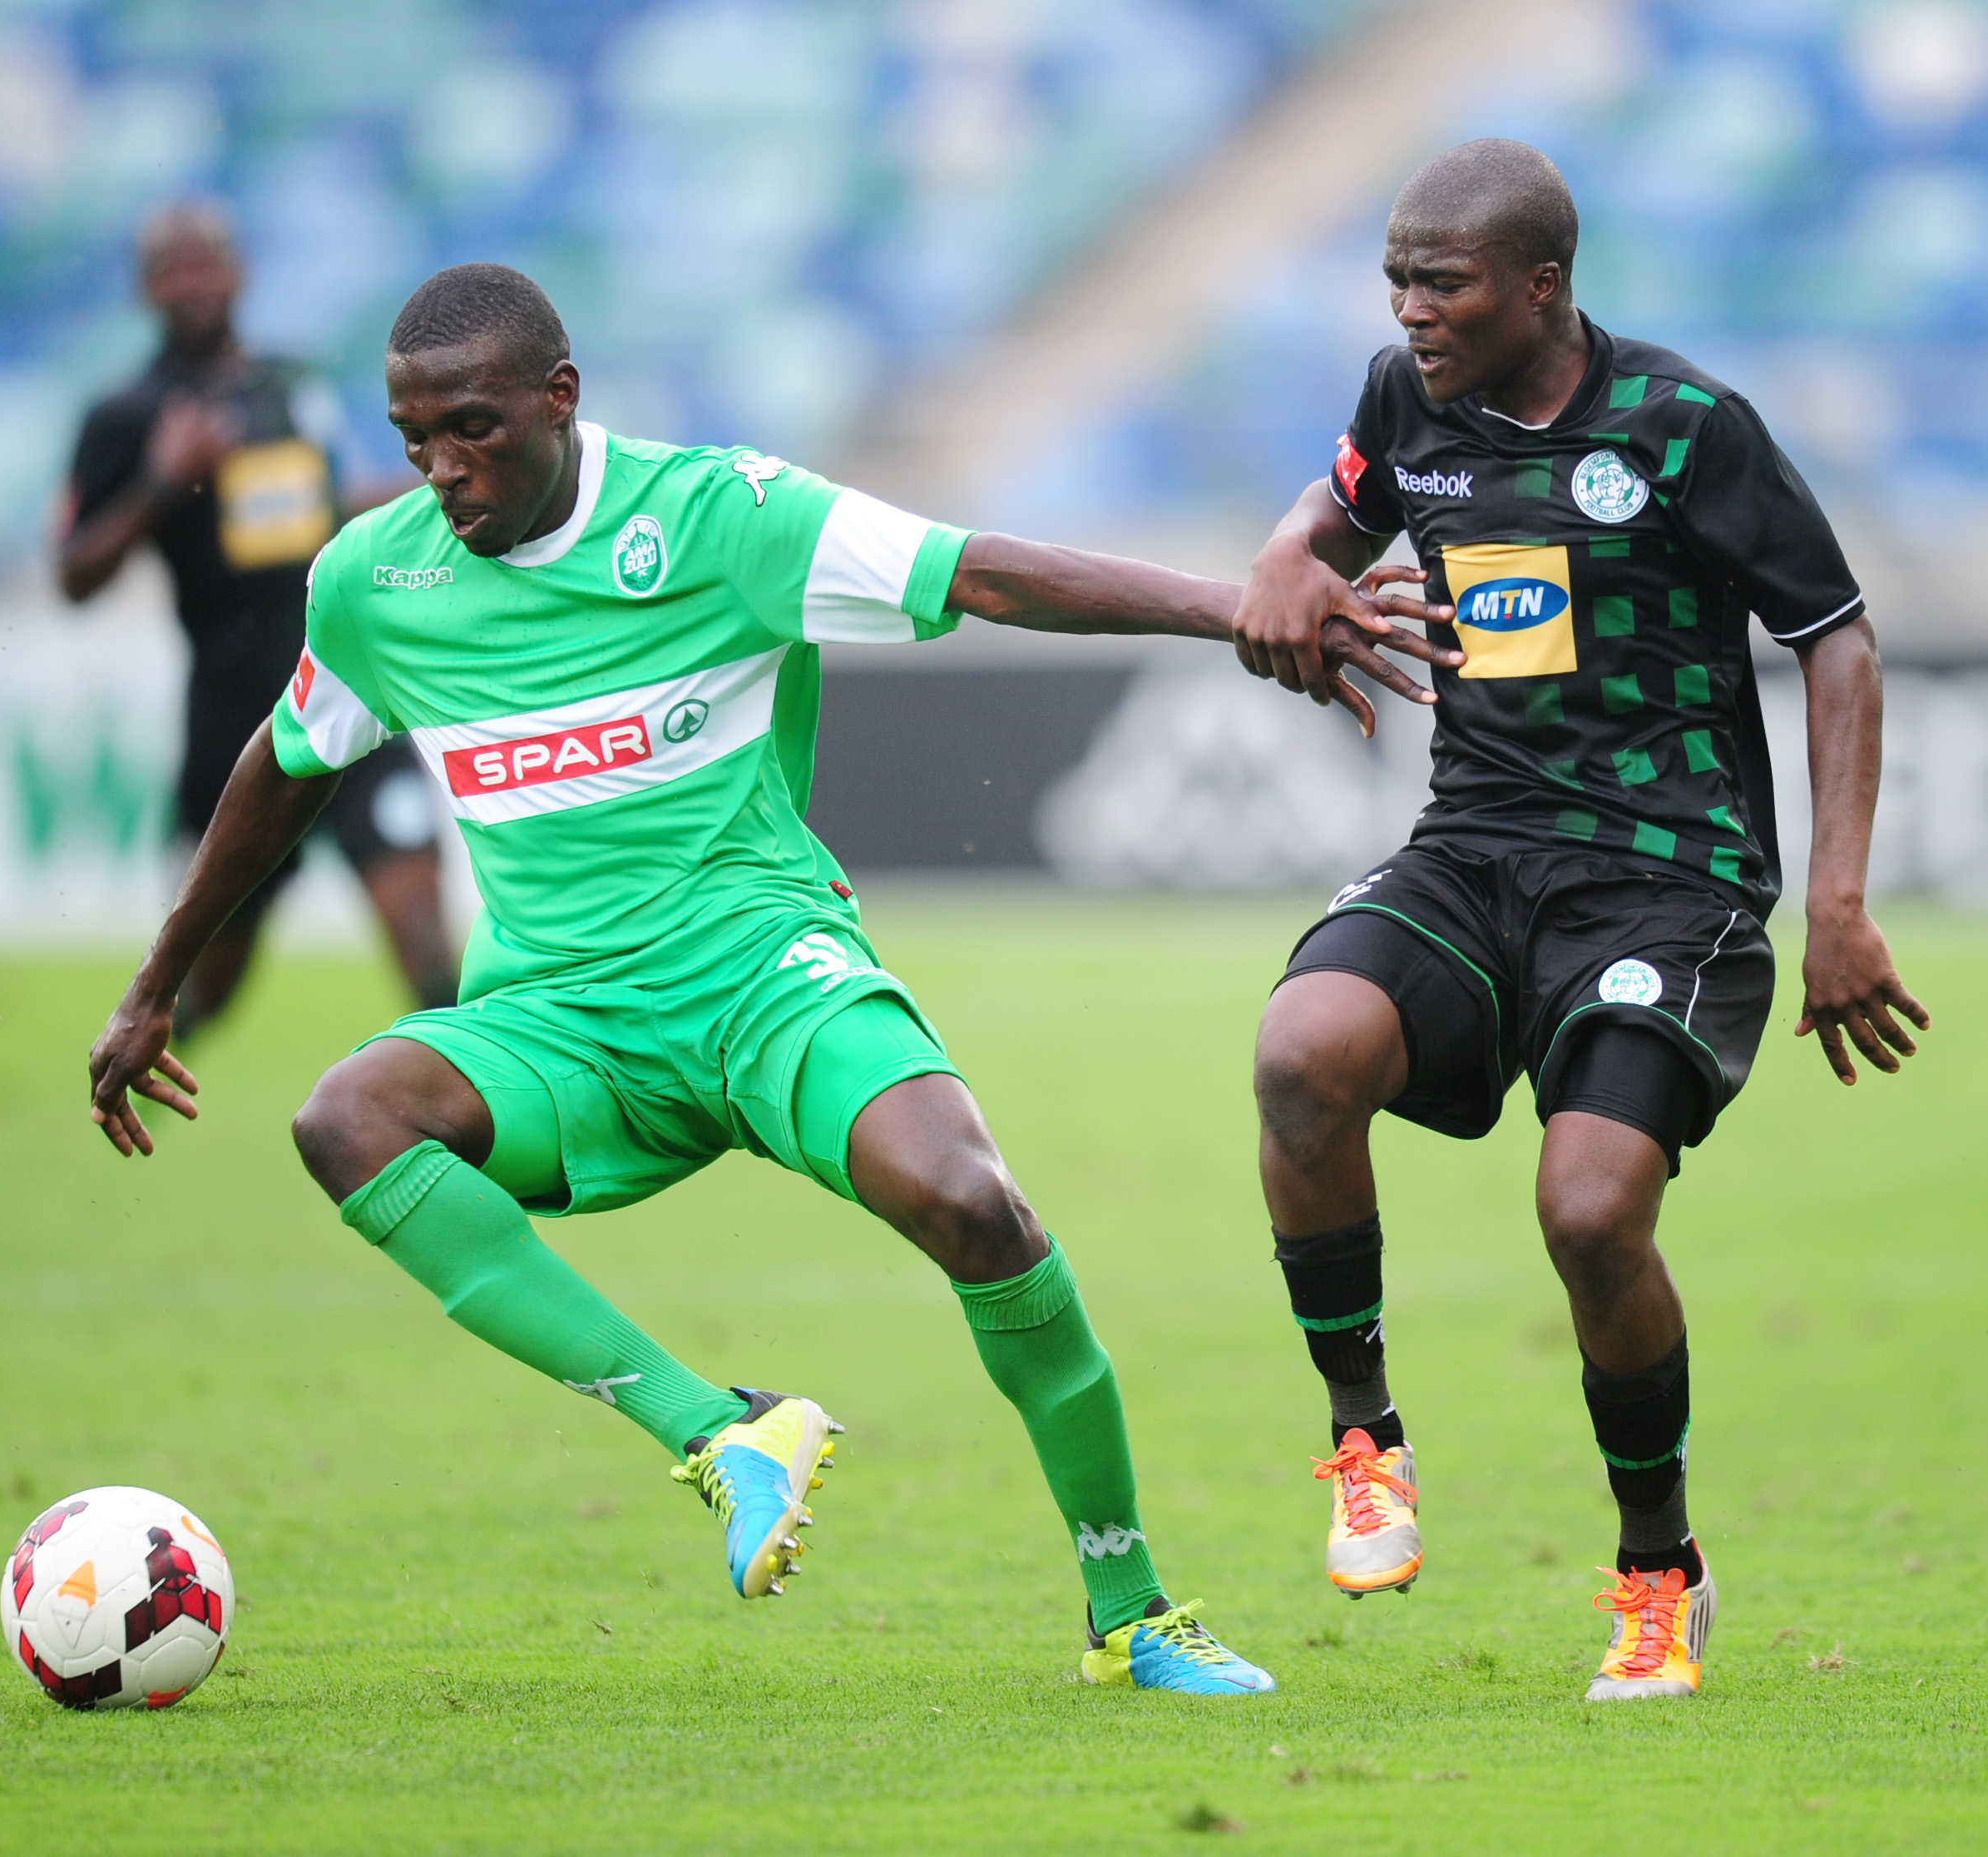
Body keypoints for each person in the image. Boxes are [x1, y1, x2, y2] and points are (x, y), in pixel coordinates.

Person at [85, 262, 1443, 1694]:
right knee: (345, 1117)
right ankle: (718, 1431)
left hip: (762, 977)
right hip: (560, 1024)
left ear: (559, 397)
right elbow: (286, 758)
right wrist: (156, 980)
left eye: (472, 429)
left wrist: (1241, 609)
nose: (443, 470)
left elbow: (978, 570)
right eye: (415, 438)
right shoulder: (378, 580)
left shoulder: (721, 517)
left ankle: (1131, 1613)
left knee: (973, 1203)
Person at [1231, 141, 1931, 1701]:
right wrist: (1282, 570)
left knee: (1592, 1213)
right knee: (1300, 1052)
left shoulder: (1682, 426)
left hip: (1665, 880)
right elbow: (1318, 532)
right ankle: (1365, 1439)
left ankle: (1657, 1570)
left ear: (1542, 285)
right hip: (1473, 853)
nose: (1409, 310)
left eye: (1442, 283)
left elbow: (1836, 637)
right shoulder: (1402, 402)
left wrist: (1835, 899)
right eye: (1396, 280)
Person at [60, 200, 457, 1035]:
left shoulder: (290, 384)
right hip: (238, 729)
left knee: (431, 960)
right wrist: (162, 481)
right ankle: (134, 1059)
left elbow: (324, 512)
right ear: (146, 289)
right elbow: (74, 573)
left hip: (353, 687)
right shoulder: (127, 417)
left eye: (206, 262)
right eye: (173, 268)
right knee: (209, 992)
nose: (193, 281)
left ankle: (488, 1100)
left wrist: (438, 485)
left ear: (239, 272)